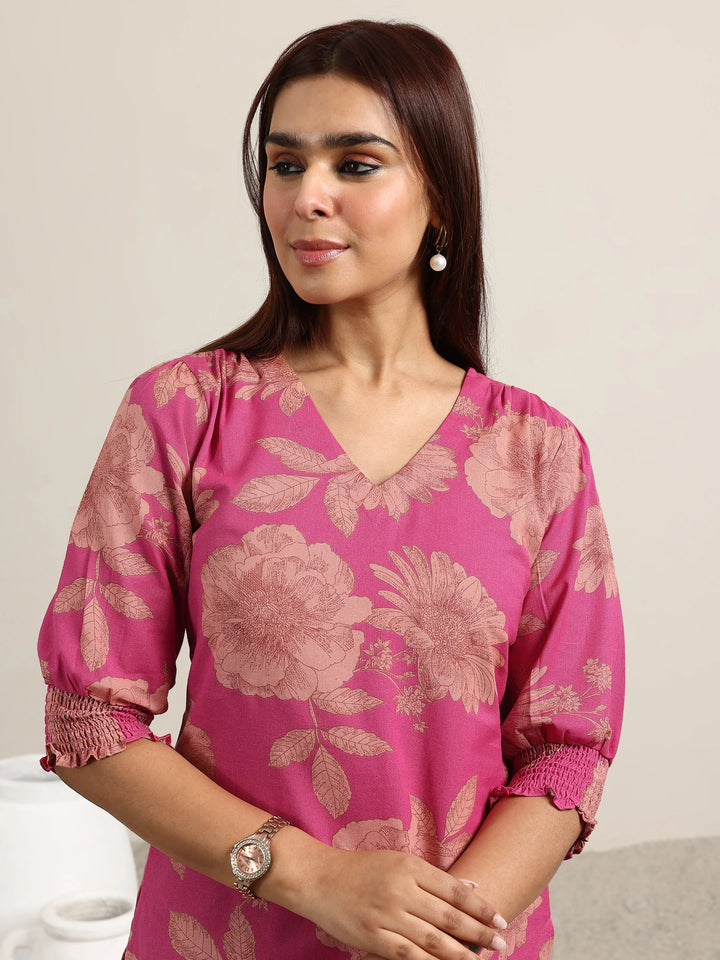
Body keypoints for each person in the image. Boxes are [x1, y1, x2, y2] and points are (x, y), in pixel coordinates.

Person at [37, 19, 624, 960]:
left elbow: (566, 751)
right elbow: (91, 720)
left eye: (355, 165)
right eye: (285, 165)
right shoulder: (183, 414)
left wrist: (436, 932)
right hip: (223, 938)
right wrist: (312, 878)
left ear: (440, 196)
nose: (307, 196)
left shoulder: (536, 452)